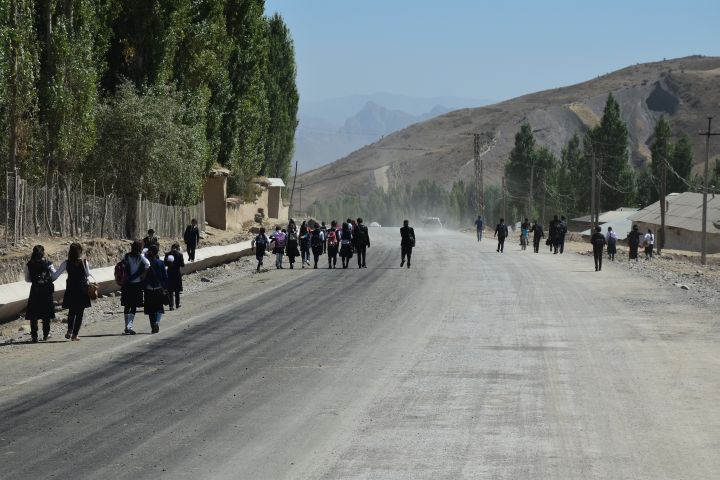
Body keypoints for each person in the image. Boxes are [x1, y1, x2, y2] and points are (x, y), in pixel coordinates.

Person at [55, 243, 92, 341]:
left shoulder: (66, 263)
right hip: (82, 289)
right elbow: (88, 274)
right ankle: (75, 335)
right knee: (80, 313)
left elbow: (56, 275)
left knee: (71, 311)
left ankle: (69, 330)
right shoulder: (84, 262)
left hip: (71, 289)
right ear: (80, 252)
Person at [24, 245, 58, 343]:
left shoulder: (29, 264)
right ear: (43, 253)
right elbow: (55, 276)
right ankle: (46, 334)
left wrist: (36, 280)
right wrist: (47, 279)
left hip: (35, 290)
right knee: (46, 312)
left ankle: (34, 336)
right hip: (46, 290)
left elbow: (27, 279)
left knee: (33, 314)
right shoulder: (48, 263)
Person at [120, 240, 150, 335]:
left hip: (127, 284)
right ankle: (130, 326)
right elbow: (148, 264)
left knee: (126, 305)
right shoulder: (140, 257)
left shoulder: (127, 256)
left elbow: (122, 265)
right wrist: (143, 275)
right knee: (133, 306)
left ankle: (126, 326)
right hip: (136, 284)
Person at [143, 245, 167, 334]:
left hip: (148, 289)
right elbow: (165, 276)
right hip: (159, 288)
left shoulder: (146, 263)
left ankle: (153, 325)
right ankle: (157, 322)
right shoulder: (160, 263)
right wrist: (165, 288)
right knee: (159, 308)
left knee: (150, 309)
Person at [164, 243, 184, 310]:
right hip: (177, 274)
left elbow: (165, 264)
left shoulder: (167, 254)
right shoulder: (180, 254)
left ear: (172, 247)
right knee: (177, 290)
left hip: (169, 274)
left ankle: (171, 306)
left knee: (170, 291)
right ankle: (177, 304)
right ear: (177, 248)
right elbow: (182, 265)